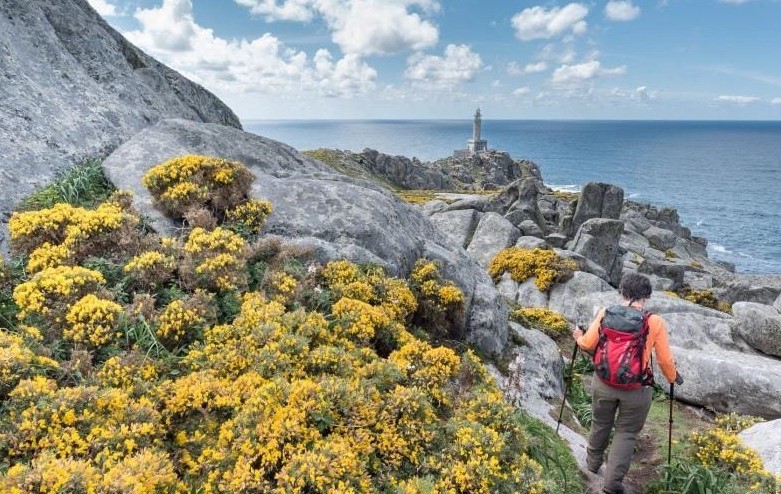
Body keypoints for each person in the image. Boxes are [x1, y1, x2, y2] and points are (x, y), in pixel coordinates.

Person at [571, 272, 683, 494]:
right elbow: (664, 360)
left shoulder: (606, 313)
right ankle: (612, 486)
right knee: (627, 433)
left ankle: (592, 465)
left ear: (622, 291)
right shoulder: (654, 322)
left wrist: (577, 337)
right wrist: (673, 377)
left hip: (603, 382)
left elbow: (587, 343)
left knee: (600, 422)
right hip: (637, 389)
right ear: (646, 297)